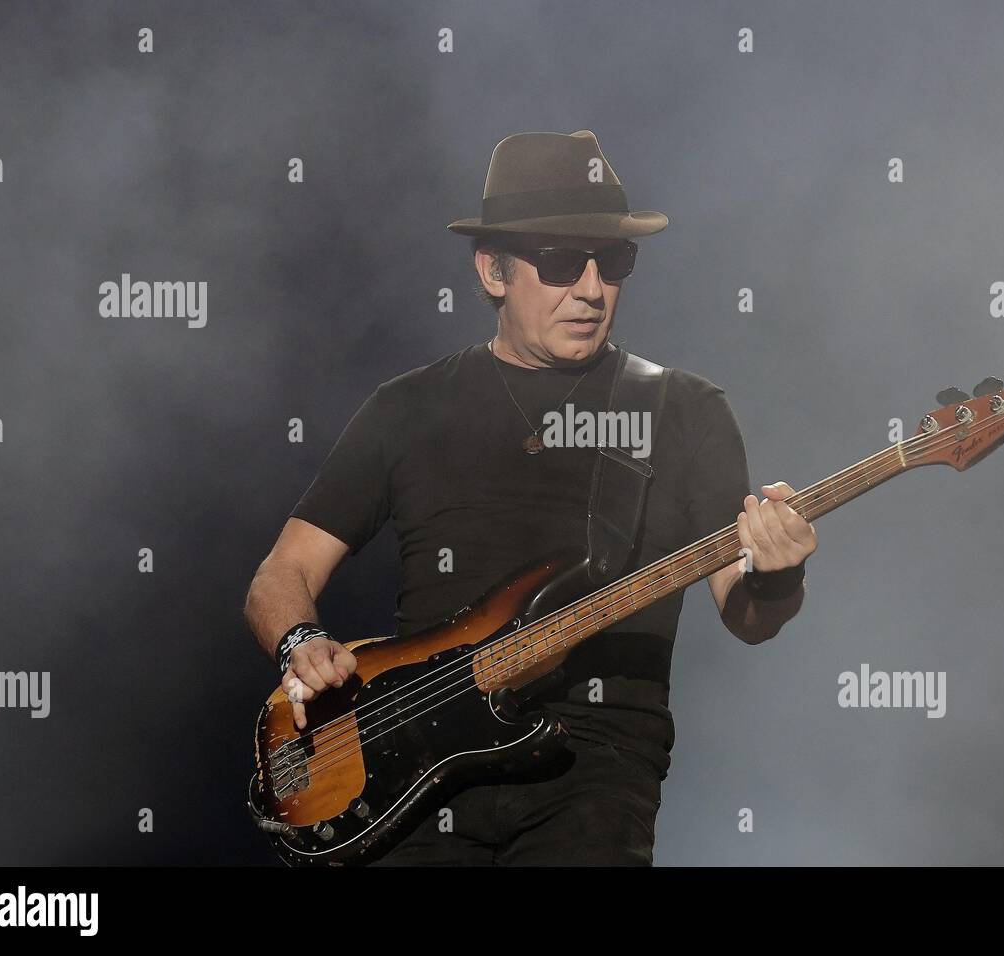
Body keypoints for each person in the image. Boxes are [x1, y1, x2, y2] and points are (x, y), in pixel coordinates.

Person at [243, 130, 817, 865]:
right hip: (409, 771)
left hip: (594, 771)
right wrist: (301, 643)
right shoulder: (408, 408)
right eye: (558, 261)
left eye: (612, 262)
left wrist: (781, 572)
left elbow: (747, 615)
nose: (590, 288)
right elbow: (281, 574)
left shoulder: (684, 411)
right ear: (492, 271)